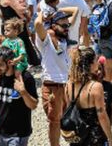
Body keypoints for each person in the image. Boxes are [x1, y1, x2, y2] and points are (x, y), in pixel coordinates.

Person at [34, 8, 77, 146]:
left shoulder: (65, 41)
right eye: (63, 25)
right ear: (53, 26)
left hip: (67, 86)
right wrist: (43, 14)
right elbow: (37, 24)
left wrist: (58, 10)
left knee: (71, 118)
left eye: (68, 25)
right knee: (55, 122)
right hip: (53, 86)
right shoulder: (45, 41)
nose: (67, 28)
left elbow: (75, 10)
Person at [0, 45, 38, 145]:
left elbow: (33, 105)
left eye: (0, 65)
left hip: (18, 134)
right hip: (1, 132)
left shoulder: (25, 78)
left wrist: (23, 92)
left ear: (10, 62)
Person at [64, 45, 112, 146]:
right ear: (90, 64)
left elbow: (69, 107)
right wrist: (110, 138)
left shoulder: (69, 84)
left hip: (77, 134)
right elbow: (102, 116)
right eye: (95, 60)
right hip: (94, 136)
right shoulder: (96, 87)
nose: (97, 63)